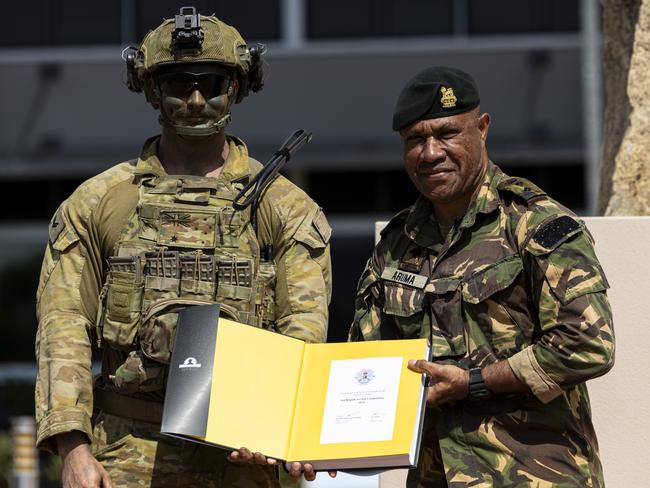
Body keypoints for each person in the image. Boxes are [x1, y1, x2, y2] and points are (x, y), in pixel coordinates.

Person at [35, 7, 331, 487]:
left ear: (236, 87)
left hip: (244, 453)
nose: (195, 100)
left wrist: (280, 431)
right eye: (177, 84)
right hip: (127, 451)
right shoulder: (98, 203)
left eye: (211, 83)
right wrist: (73, 449)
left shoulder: (284, 206)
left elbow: (304, 332)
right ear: (152, 90)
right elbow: (63, 326)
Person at [348, 66, 614, 487]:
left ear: (483, 128)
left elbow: (588, 343)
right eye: (416, 140)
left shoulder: (534, 224)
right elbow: (362, 366)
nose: (431, 152)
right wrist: (307, 446)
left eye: (448, 133)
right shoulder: (395, 247)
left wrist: (473, 383)